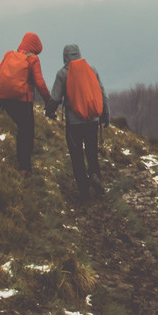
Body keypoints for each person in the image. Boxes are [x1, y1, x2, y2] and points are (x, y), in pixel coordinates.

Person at [45, 44, 110, 200]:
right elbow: (102, 94)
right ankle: (95, 175)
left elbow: (55, 98)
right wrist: (105, 116)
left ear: (65, 57)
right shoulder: (91, 70)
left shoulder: (63, 74)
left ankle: (84, 189)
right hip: (93, 120)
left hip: (74, 123)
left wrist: (49, 112)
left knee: (76, 155)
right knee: (92, 151)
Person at [0, 32, 53, 175]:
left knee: (15, 127)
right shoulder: (32, 59)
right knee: (26, 132)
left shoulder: (8, 54)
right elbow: (40, 84)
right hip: (23, 102)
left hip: (5, 99)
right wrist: (49, 102)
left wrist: (0, 95)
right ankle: (24, 167)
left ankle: (7, 158)